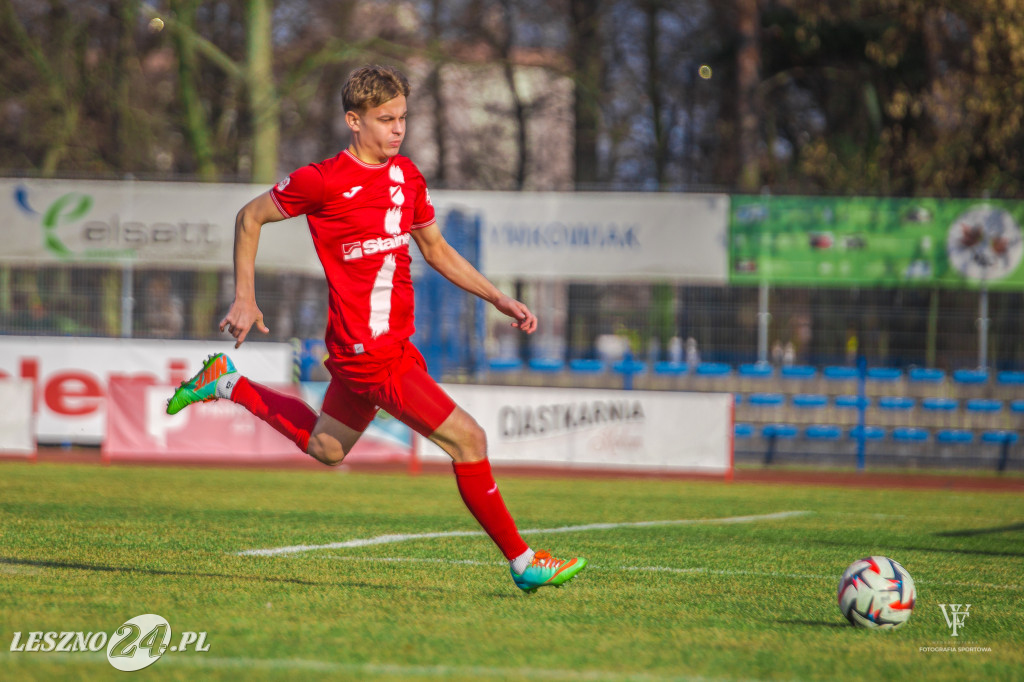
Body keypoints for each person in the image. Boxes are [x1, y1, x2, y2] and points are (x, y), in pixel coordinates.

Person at [167, 65, 586, 593]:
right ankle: (524, 562)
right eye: (385, 119)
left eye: (403, 118)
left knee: (327, 449)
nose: (398, 128)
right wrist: (245, 298)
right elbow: (249, 218)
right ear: (353, 120)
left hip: (391, 346)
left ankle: (226, 382)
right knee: (469, 440)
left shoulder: (407, 177)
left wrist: (497, 296)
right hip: (369, 354)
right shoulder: (320, 180)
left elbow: (435, 249)